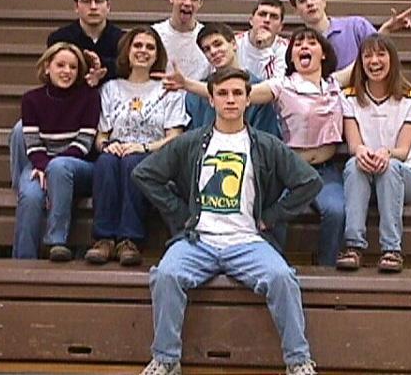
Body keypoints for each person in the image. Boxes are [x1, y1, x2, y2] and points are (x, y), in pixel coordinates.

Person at [132, 66, 322, 375]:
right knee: (165, 275)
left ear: (248, 99)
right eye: (222, 93)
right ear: (211, 100)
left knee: (282, 278)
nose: (230, 99)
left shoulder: (266, 145)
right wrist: (181, 214)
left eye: (237, 93)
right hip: (198, 241)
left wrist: (272, 217)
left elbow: (309, 182)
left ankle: (298, 361)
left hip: (247, 242)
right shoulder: (191, 142)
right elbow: (145, 174)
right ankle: (166, 360)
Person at [162, 27, 349, 266]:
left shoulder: (333, 84)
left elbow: (363, 65)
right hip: (290, 168)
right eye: (298, 44)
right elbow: (235, 95)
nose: (304, 47)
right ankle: (275, 264)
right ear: (290, 57)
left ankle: (326, 268)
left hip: (325, 169)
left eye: (311, 43)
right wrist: (187, 84)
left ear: (323, 53)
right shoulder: (281, 85)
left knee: (336, 211)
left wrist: (383, 32)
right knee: (272, 211)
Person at [84, 26, 188, 267]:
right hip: (117, 151)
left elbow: (175, 136)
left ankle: (129, 240)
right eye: (138, 45)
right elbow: (101, 136)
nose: (143, 51)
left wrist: (144, 147)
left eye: (150, 47)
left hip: (153, 154)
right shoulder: (110, 88)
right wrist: (107, 146)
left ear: (157, 54)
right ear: (127, 51)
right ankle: (103, 240)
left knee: (134, 163)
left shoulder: (168, 90)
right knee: (105, 161)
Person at [10, 0, 124, 191]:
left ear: (108, 6)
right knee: (19, 130)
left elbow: (126, 68)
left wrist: (103, 69)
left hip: (106, 108)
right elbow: (57, 75)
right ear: (76, 7)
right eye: (86, 1)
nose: (93, 6)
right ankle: (28, 185)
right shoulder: (60, 37)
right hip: (70, 106)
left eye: (99, 1)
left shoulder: (122, 40)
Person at [336, 34, 411, 273]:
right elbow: (354, 145)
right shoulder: (349, 97)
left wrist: (386, 153)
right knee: (354, 164)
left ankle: (392, 249)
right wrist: (362, 151)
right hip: (365, 176)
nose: (374, 61)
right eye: (367, 56)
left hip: (403, 176)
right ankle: (353, 246)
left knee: (390, 167)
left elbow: (403, 151)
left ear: (392, 59)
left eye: (381, 54)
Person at [12, 42, 100, 260]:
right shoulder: (31, 99)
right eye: (60, 65)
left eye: (73, 67)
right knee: (30, 196)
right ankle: (23, 262)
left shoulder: (89, 97)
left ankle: (56, 241)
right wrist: (43, 166)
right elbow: (33, 143)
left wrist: (51, 167)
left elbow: (83, 144)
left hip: (78, 167)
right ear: (47, 67)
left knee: (60, 167)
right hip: (41, 164)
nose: (66, 71)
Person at [288, 0, 411, 71]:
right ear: (296, 10)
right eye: (302, 0)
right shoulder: (298, 47)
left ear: (324, 1)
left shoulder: (356, 26)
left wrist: (383, 33)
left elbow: (377, 57)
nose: (309, 3)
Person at [186, 22, 281, 138]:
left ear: (234, 44)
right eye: (207, 49)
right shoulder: (194, 96)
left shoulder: (260, 92)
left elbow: (268, 140)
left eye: (218, 44)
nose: (213, 51)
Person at [236, 0, 288, 79]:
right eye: (262, 14)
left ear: (280, 27)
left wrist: (265, 50)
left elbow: (278, 84)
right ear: (251, 20)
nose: (267, 20)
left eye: (273, 16)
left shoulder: (287, 49)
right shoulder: (234, 44)